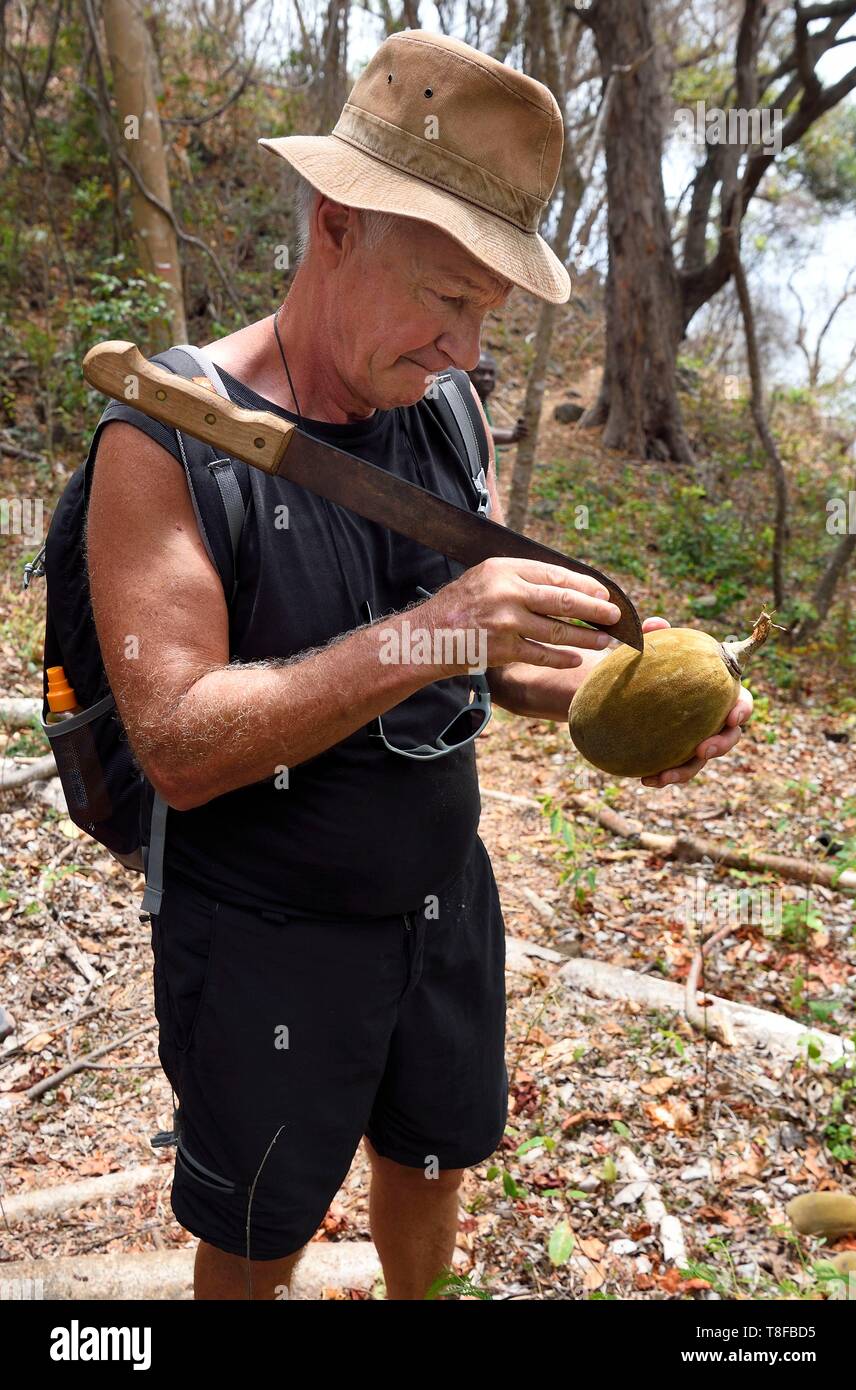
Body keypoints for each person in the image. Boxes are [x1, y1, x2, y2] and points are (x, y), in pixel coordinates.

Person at [85, 29, 752, 1300]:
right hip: (267, 929)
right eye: (445, 297)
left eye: (486, 311)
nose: (463, 345)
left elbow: (480, 668)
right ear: (337, 223)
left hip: (443, 894)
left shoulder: (439, 408)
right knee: (254, 1233)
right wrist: (444, 623)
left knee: (434, 1156)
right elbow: (176, 741)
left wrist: (617, 710)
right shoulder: (168, 440)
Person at [468, 351, 528, 467]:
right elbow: (476, 431)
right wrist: (512, 435)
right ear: (468, 374)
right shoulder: (465, 399)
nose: (487, 378)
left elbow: (487, 428)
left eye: (491, 373)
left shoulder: (482, 402)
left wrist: (515, 430)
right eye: (481, 372)